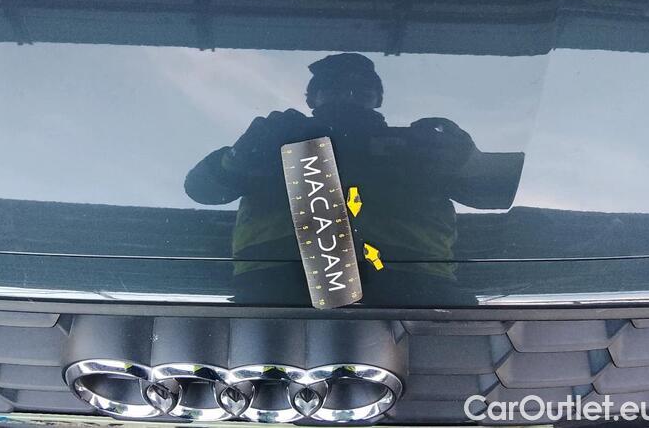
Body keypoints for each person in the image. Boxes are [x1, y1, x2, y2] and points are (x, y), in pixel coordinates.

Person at [185, 53, 523, 304]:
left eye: (360, 88)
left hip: (414, 285)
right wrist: (242, 154)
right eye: (333, 87)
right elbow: (202, 189)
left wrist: (466, 158)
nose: (347, 94)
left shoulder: (418, 147)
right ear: (311, 98)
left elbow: (498, 193)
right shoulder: (274, 141)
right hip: (278, 282)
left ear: (377, 97)